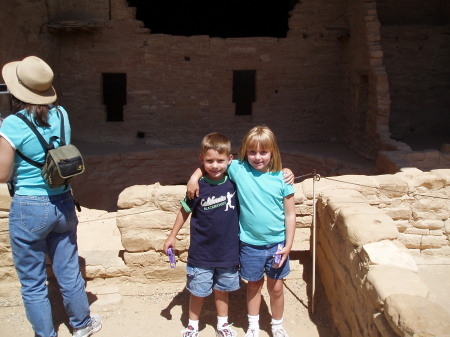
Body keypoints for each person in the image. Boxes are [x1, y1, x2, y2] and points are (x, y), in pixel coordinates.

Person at [0, 56, 102, 337]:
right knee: (68, 270)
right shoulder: (61, 115)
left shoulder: (12, 124)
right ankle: (81, 325)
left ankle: (46, 334)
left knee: (33, 282)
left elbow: (2, 173)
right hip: (63, 201)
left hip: (30, 205)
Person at [187, 126, 296, 337]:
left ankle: (277, 325)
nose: (257, 157)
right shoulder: (239, 169)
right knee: (254, 286)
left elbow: (290, 214)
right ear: (244, 151)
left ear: (273, 152)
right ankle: (253, 326)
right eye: (252, 152)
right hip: (250, 244)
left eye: (263, 152)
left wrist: (289, 244)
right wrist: (194, 177)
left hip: (277, 244)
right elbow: (213, 161)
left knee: (276, 288)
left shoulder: (282, 179)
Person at [164, 132, 240, 337]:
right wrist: (172, 236)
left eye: (220, 161)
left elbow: (254, 168)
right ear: (201, 160)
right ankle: (192, 325)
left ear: (230, 160)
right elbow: (184, 211)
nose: (215, 165)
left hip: (227, 252)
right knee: (197, 291)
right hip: (202, 252)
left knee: (222, 290)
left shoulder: (234, 183)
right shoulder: (198, 187)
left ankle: (223, 324)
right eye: (209, 161)